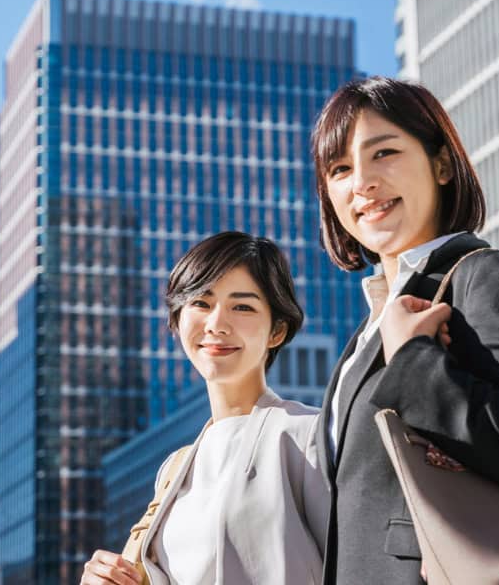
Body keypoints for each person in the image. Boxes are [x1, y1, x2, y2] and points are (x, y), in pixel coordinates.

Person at [309, 76, 499, 584]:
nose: (362, 183)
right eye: (340, 169)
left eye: (384, 154)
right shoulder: (365, 334)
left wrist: (414, 363)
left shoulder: (485, 277)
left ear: (442, 164)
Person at [80, 231, 328, 585]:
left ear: (277, 330)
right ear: (178, 320)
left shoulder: (307, 435)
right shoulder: (176, 468)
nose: (217, 324)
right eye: (200, 303)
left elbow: (359, 562)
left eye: (242, 306)